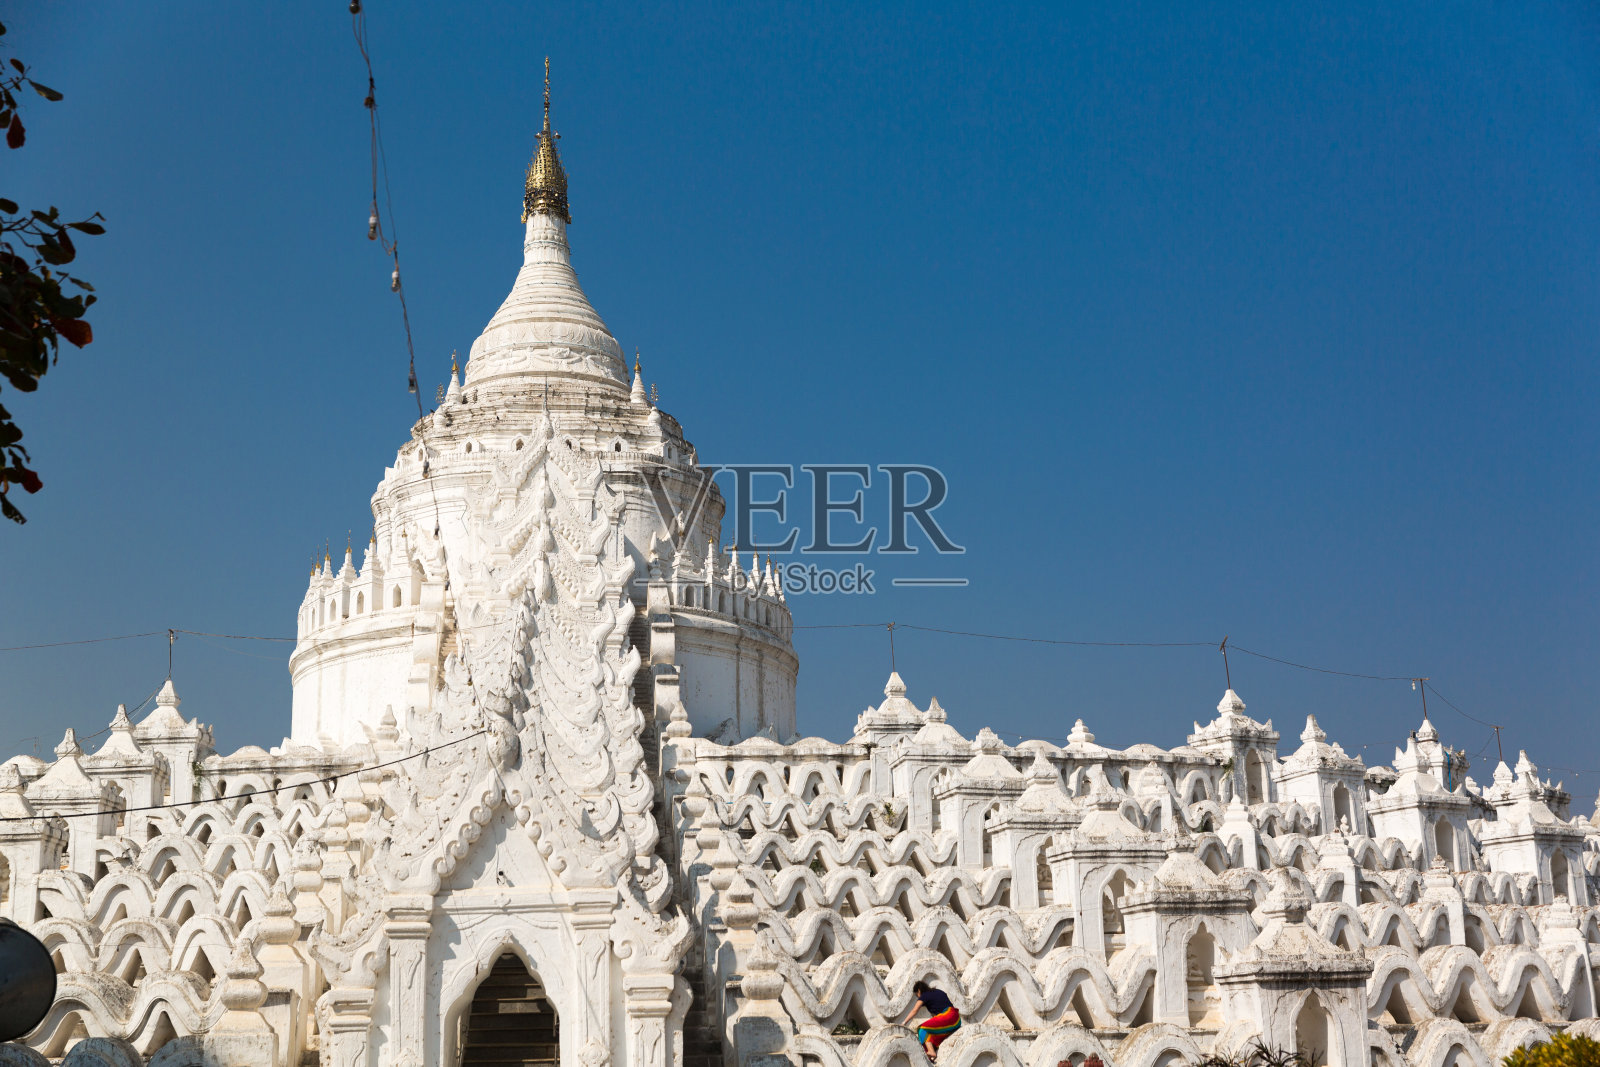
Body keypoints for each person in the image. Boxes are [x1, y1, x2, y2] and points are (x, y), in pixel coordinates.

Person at [902, 981, 961, 1060]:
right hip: (956, 1019)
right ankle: (931, 1052)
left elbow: (914, 1010)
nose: (918, 997)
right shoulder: (939, 992)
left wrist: (904, 1023)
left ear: (919, 991)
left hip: (948, 1016)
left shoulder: (924, 995)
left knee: (922, 1029)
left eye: (917, 995)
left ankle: (931, 1051)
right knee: (930, 1033)